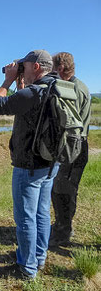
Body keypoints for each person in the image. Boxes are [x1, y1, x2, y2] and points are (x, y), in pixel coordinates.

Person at [0, 50, 60, 279]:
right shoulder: (56, 87)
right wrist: (21, 82)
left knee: (25, 218)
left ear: (36, 67)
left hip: (29, 165)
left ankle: (27, 269)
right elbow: (31, 114)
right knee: (41, 213)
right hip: (50, 162)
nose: (21, 69)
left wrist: (8, 80)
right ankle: (39, 258)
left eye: (24, 65)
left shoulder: (33, 92)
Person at [49, 52, 91, 247]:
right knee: (61, 189)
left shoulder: (72, 89)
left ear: (60, 69)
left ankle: (63, 231)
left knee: (64, 190)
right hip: (73, 145)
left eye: (52, 68)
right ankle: (61, 225)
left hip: (73, 147)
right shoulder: (78, 85)